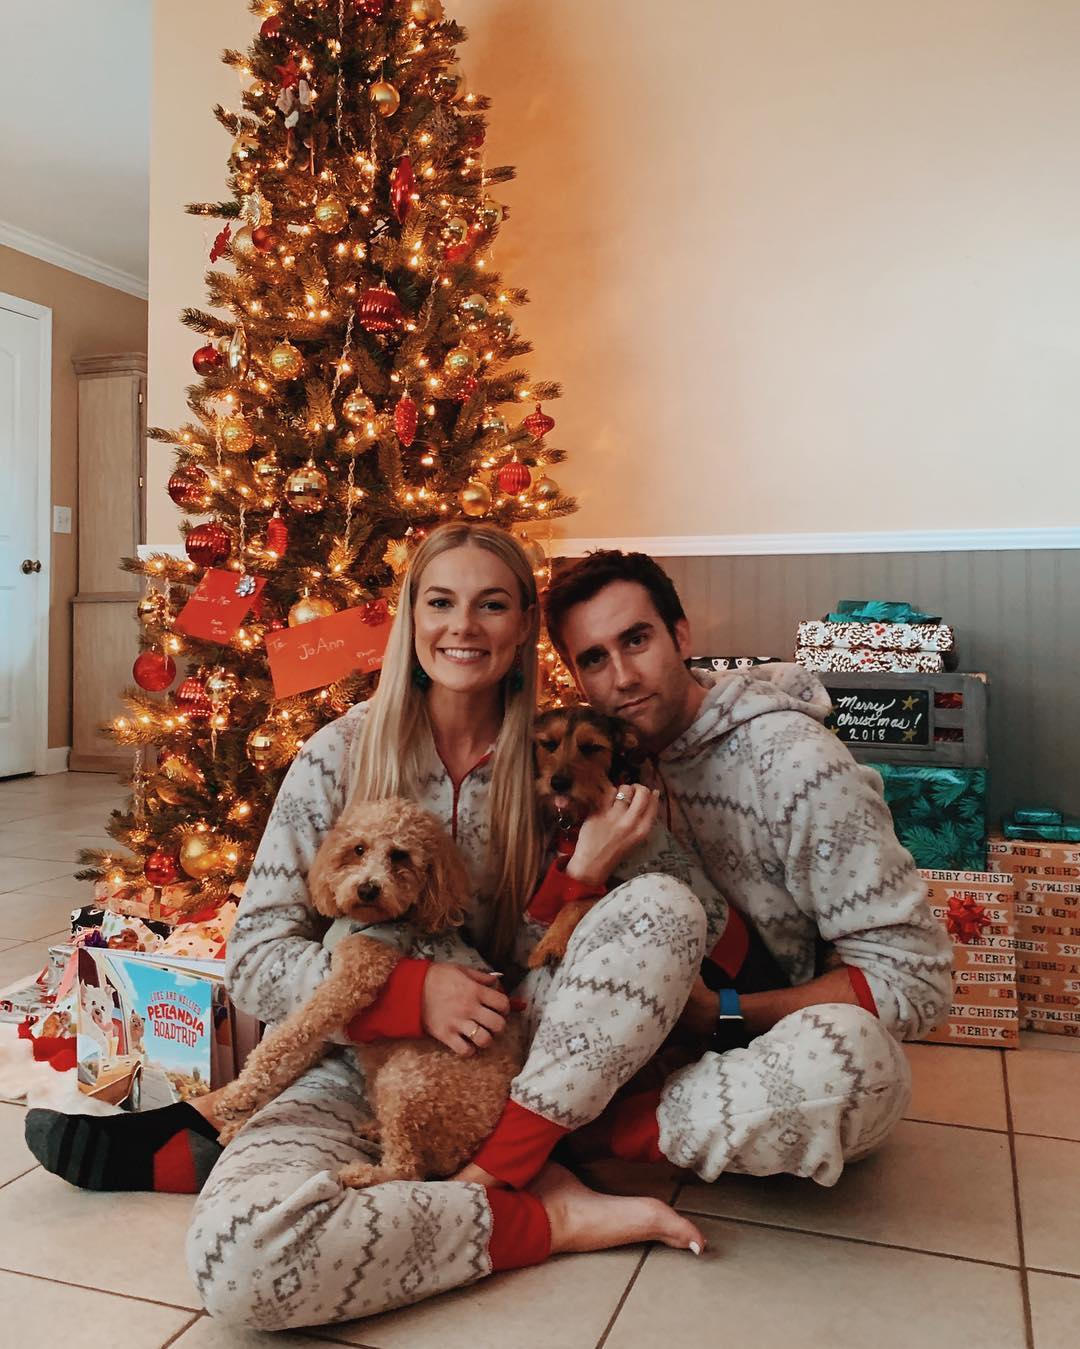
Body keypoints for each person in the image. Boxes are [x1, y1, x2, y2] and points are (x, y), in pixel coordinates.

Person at [28, 524, 706, 1331]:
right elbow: (256, 961)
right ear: (410, 614)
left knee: (666, 906)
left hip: (522, 1066)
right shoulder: (337, 753)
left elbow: (590, 956)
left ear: (525, 621)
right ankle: (543, 1214)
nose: (463, 626)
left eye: (492, 604)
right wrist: (410, 995)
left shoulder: (561, 759)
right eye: (441, 602)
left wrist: (583, 875)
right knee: (242, 1262)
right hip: (350, 1071)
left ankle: (506, 1164)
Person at [542, 549, 953, 1185]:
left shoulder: (796, 764)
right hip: (640, 1019)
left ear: (681, 636)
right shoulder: (599, 765)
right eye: (594, 659)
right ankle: (581, 1115)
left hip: (766, 1029)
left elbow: (914, 984)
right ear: (576, 677)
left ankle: (592, 1134)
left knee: (858, 1069)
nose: (622, 677)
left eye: (637, 640)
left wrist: (718, 1012)